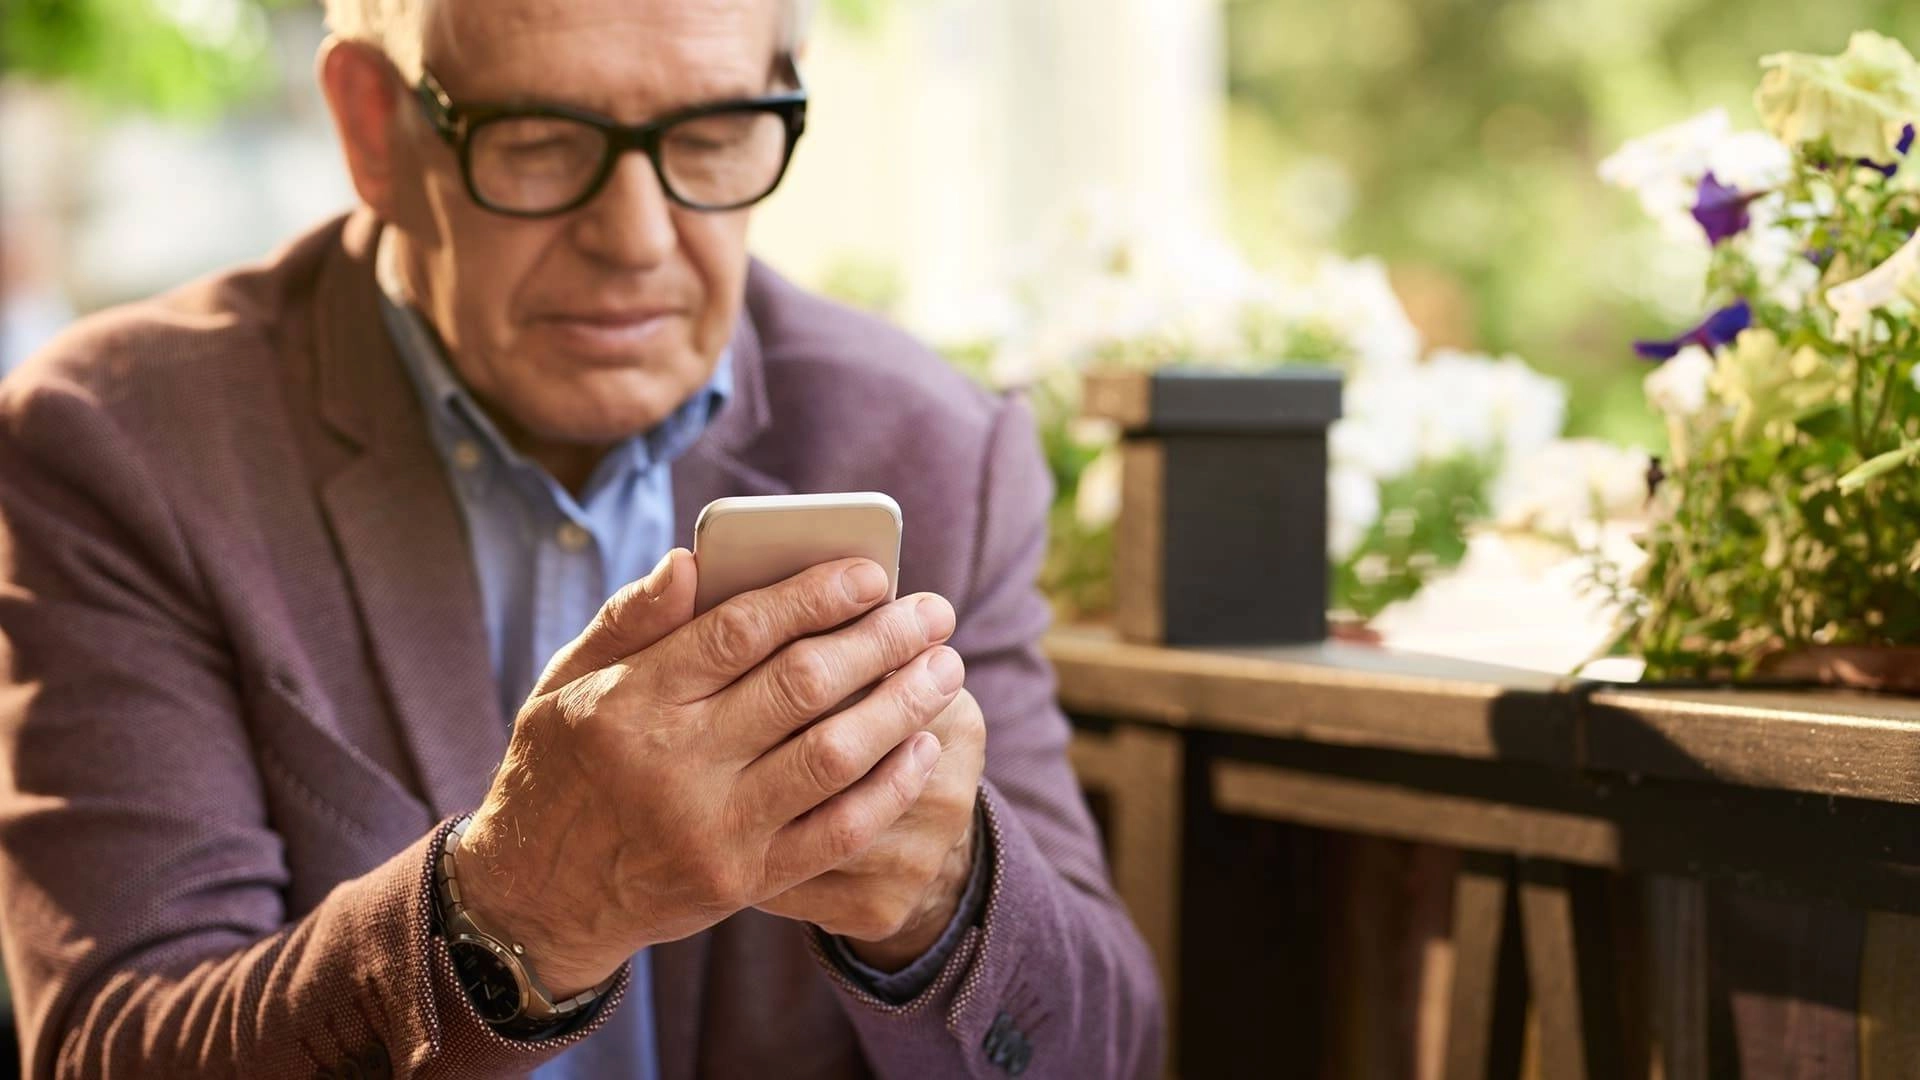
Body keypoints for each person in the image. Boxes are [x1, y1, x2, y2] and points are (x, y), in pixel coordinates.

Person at [0, 0, 1162, 1076]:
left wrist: (941, 906)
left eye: (712, 133)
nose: (638, 238)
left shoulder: (934, 451)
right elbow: (114, 1043)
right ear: (372, 124)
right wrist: (514, 910)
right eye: (542, 139)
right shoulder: (125, 444)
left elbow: (1109, 1049)